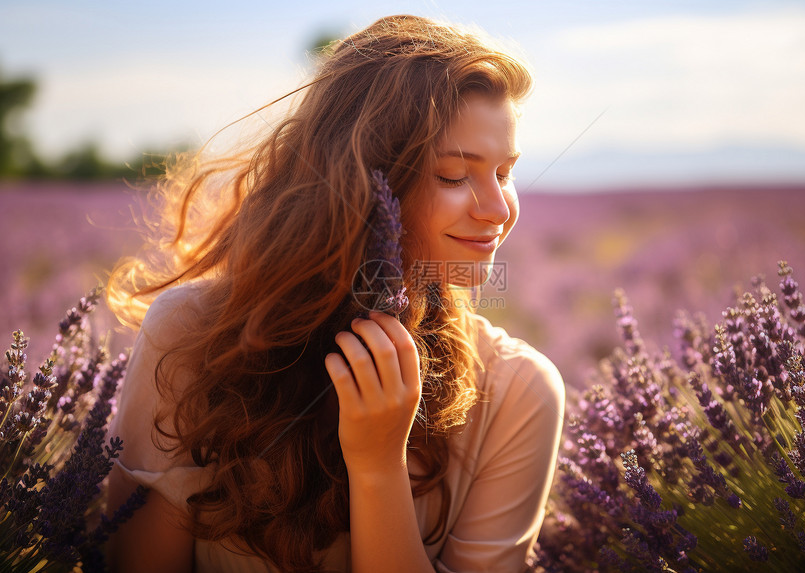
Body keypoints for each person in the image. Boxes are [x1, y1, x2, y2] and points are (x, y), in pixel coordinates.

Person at [103, 14, 565, 573]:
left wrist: (377, 466)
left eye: (506, 172)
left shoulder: (518, 390)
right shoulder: (194, 334)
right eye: (453, 175)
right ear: (361, 181)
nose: (497, 210)